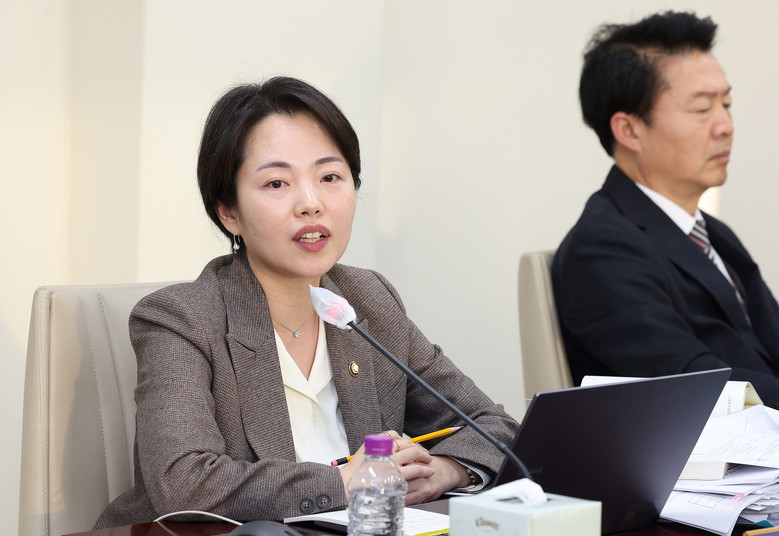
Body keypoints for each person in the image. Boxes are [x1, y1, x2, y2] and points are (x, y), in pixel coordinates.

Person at [94, 77, 517, 528]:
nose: (311, 204)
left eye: (330, 177)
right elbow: (183, 482)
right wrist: (345, 483)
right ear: (229, 212)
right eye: (277, 183)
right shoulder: (181, 318)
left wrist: (444, 471)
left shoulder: (369, 300)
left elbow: (493, 425)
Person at [552, 11, 779, 406]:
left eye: (726, 103)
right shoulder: (602, 249)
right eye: (702, 109)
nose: (726, 125)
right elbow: (696, 385)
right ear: (629, 130)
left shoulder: (713, 233)